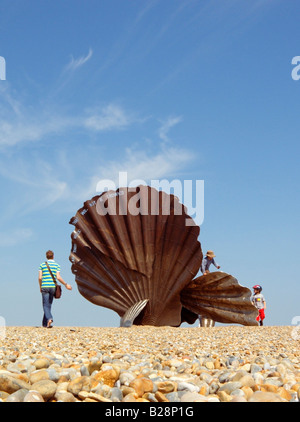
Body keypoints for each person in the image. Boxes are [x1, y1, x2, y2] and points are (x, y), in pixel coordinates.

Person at [38, 250, 72, 328]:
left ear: (46, 256)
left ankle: (49, 318)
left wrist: (40, 286)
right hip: (53, 287)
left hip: (44, 286)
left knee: (45, 305)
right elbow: (58, 277)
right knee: (48, 305)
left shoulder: (42, 265)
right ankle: (44, 324)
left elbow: (40, 278)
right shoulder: (56, 265)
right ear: (53, 256)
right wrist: (66, 284)